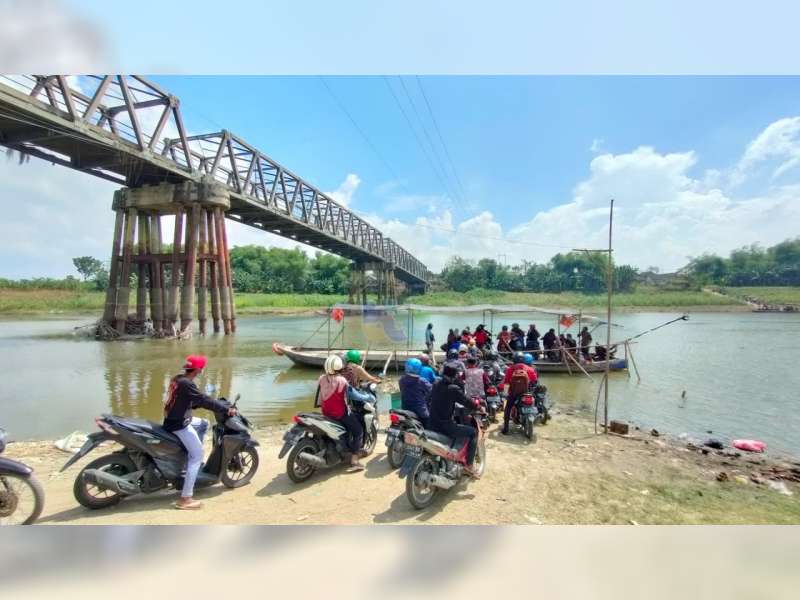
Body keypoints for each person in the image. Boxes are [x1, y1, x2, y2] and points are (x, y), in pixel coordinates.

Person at [164, 354, 237, 510]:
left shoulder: (178, 379)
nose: (201, 371)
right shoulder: (187, 384)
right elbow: (203, 399)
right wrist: (226, 409)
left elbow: (190, 400)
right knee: (197, 455)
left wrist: (199, 404)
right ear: (198, 369)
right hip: (179, 424)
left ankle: (189, 461)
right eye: (201, 368)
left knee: (203, 423)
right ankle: (185, 498)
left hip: (174, 419)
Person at [429, 364, 480, 478]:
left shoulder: (436, 384)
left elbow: (429, 398)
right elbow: (466, 401)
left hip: (431, 423)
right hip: (445, 426)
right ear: (454, 376)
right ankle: (469, 466)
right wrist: (478, 407)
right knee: (473, 432)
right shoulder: (453, 389)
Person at [319, 355, 365, 472]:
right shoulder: (342, 380)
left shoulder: (321, 378)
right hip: (340, 414)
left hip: (326, 413)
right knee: (358, 431)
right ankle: (354, 461)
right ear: (340, 367)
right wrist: (369, 397)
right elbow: (355, 395)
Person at [500, 352, 538, 435]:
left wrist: (505, 394)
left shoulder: (510, 369)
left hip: (513, 394)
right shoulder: (529, 369)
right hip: (526, 393)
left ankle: (506, 428)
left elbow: (506, 383)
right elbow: (535, 381)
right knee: (534, 404)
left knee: (508, 408)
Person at [399, 358, 433, 427]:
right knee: (429, 423)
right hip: (420, 411)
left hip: (405, 408)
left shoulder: (401, 379)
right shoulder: (422, 381)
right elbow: (432, 391)